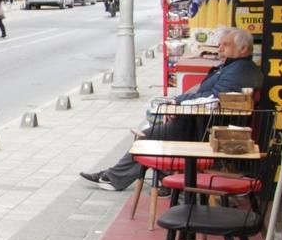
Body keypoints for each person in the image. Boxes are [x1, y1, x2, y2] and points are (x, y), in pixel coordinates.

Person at [80, 27, 262, 190]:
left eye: (225, 45)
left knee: (149, 135)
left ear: (243, 49)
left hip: (207, 131)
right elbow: (205, 91)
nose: (220, 49)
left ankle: (123, 178)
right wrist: (178, 102)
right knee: (151, 131)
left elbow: (212, 98)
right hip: (201, 124)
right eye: (220, 45)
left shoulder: (239, 71)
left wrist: (178, 103)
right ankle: (141, 178)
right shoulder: (233, 67)